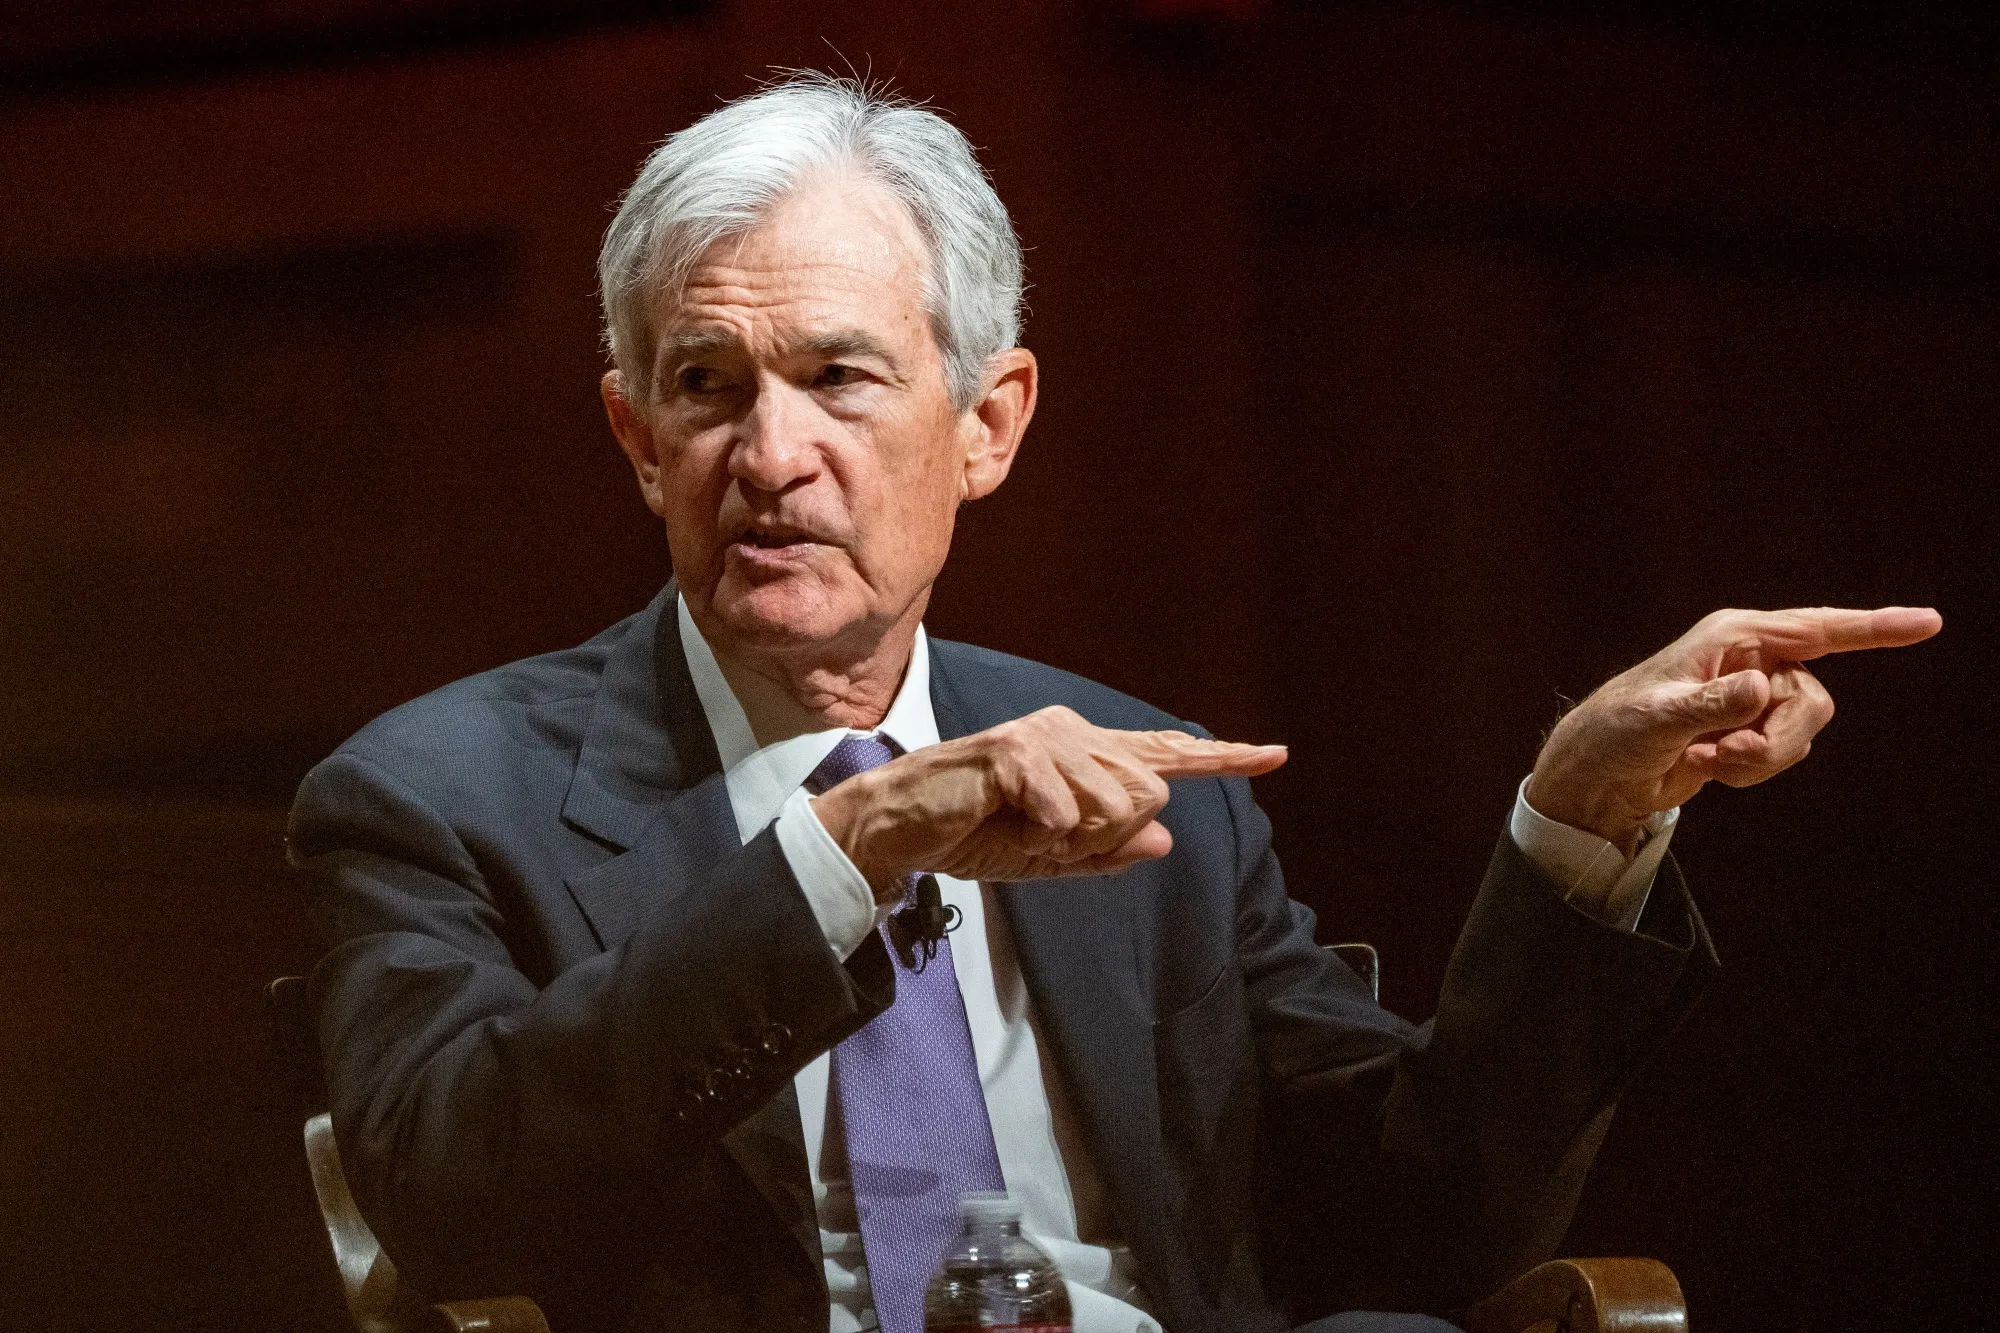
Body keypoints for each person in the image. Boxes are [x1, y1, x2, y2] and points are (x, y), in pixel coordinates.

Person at [287, 74, 1940, 1333]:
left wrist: (1581, 820)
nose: (772, 456)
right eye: (706, 389)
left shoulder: (1162, 785)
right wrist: (848, 847)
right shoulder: (437, 792)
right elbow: (453, 1206)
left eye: (841, 377)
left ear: (988, 422)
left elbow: (1430, 1225)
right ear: (639, 443)